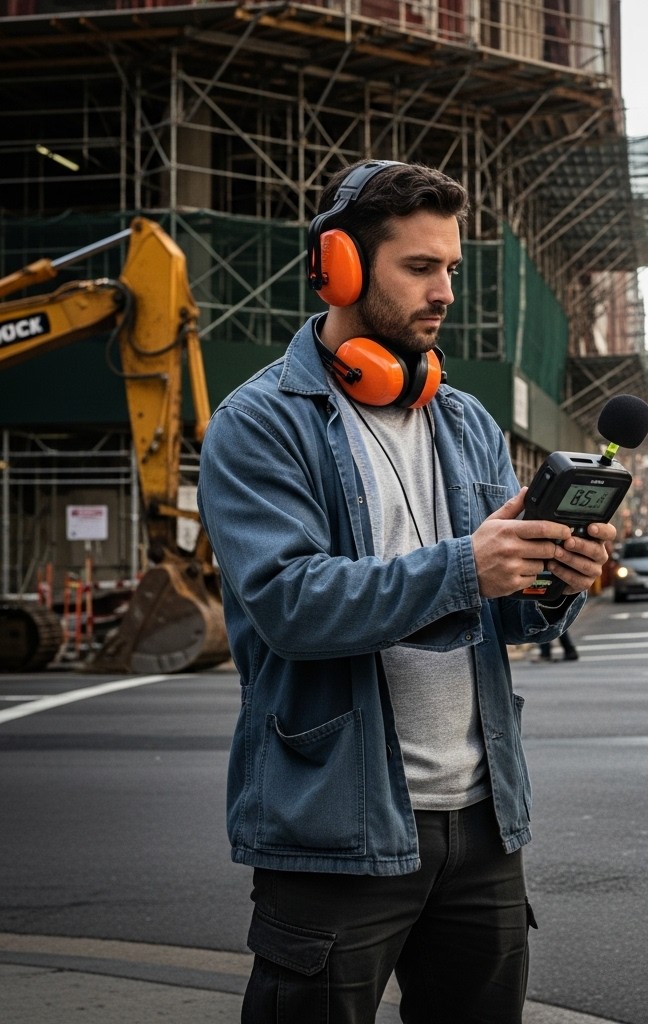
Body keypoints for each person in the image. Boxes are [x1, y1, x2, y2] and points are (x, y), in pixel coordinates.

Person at [196, 158, 614, 1024]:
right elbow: (290, 604)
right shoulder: (259, 422)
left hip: (485, 821)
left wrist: (550, 584)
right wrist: (470, 563)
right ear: (341, 267)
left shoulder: (463, 420)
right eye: (419, 268)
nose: (444, 292)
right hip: (335, 836)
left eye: (451, 269)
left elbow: (501, 609)